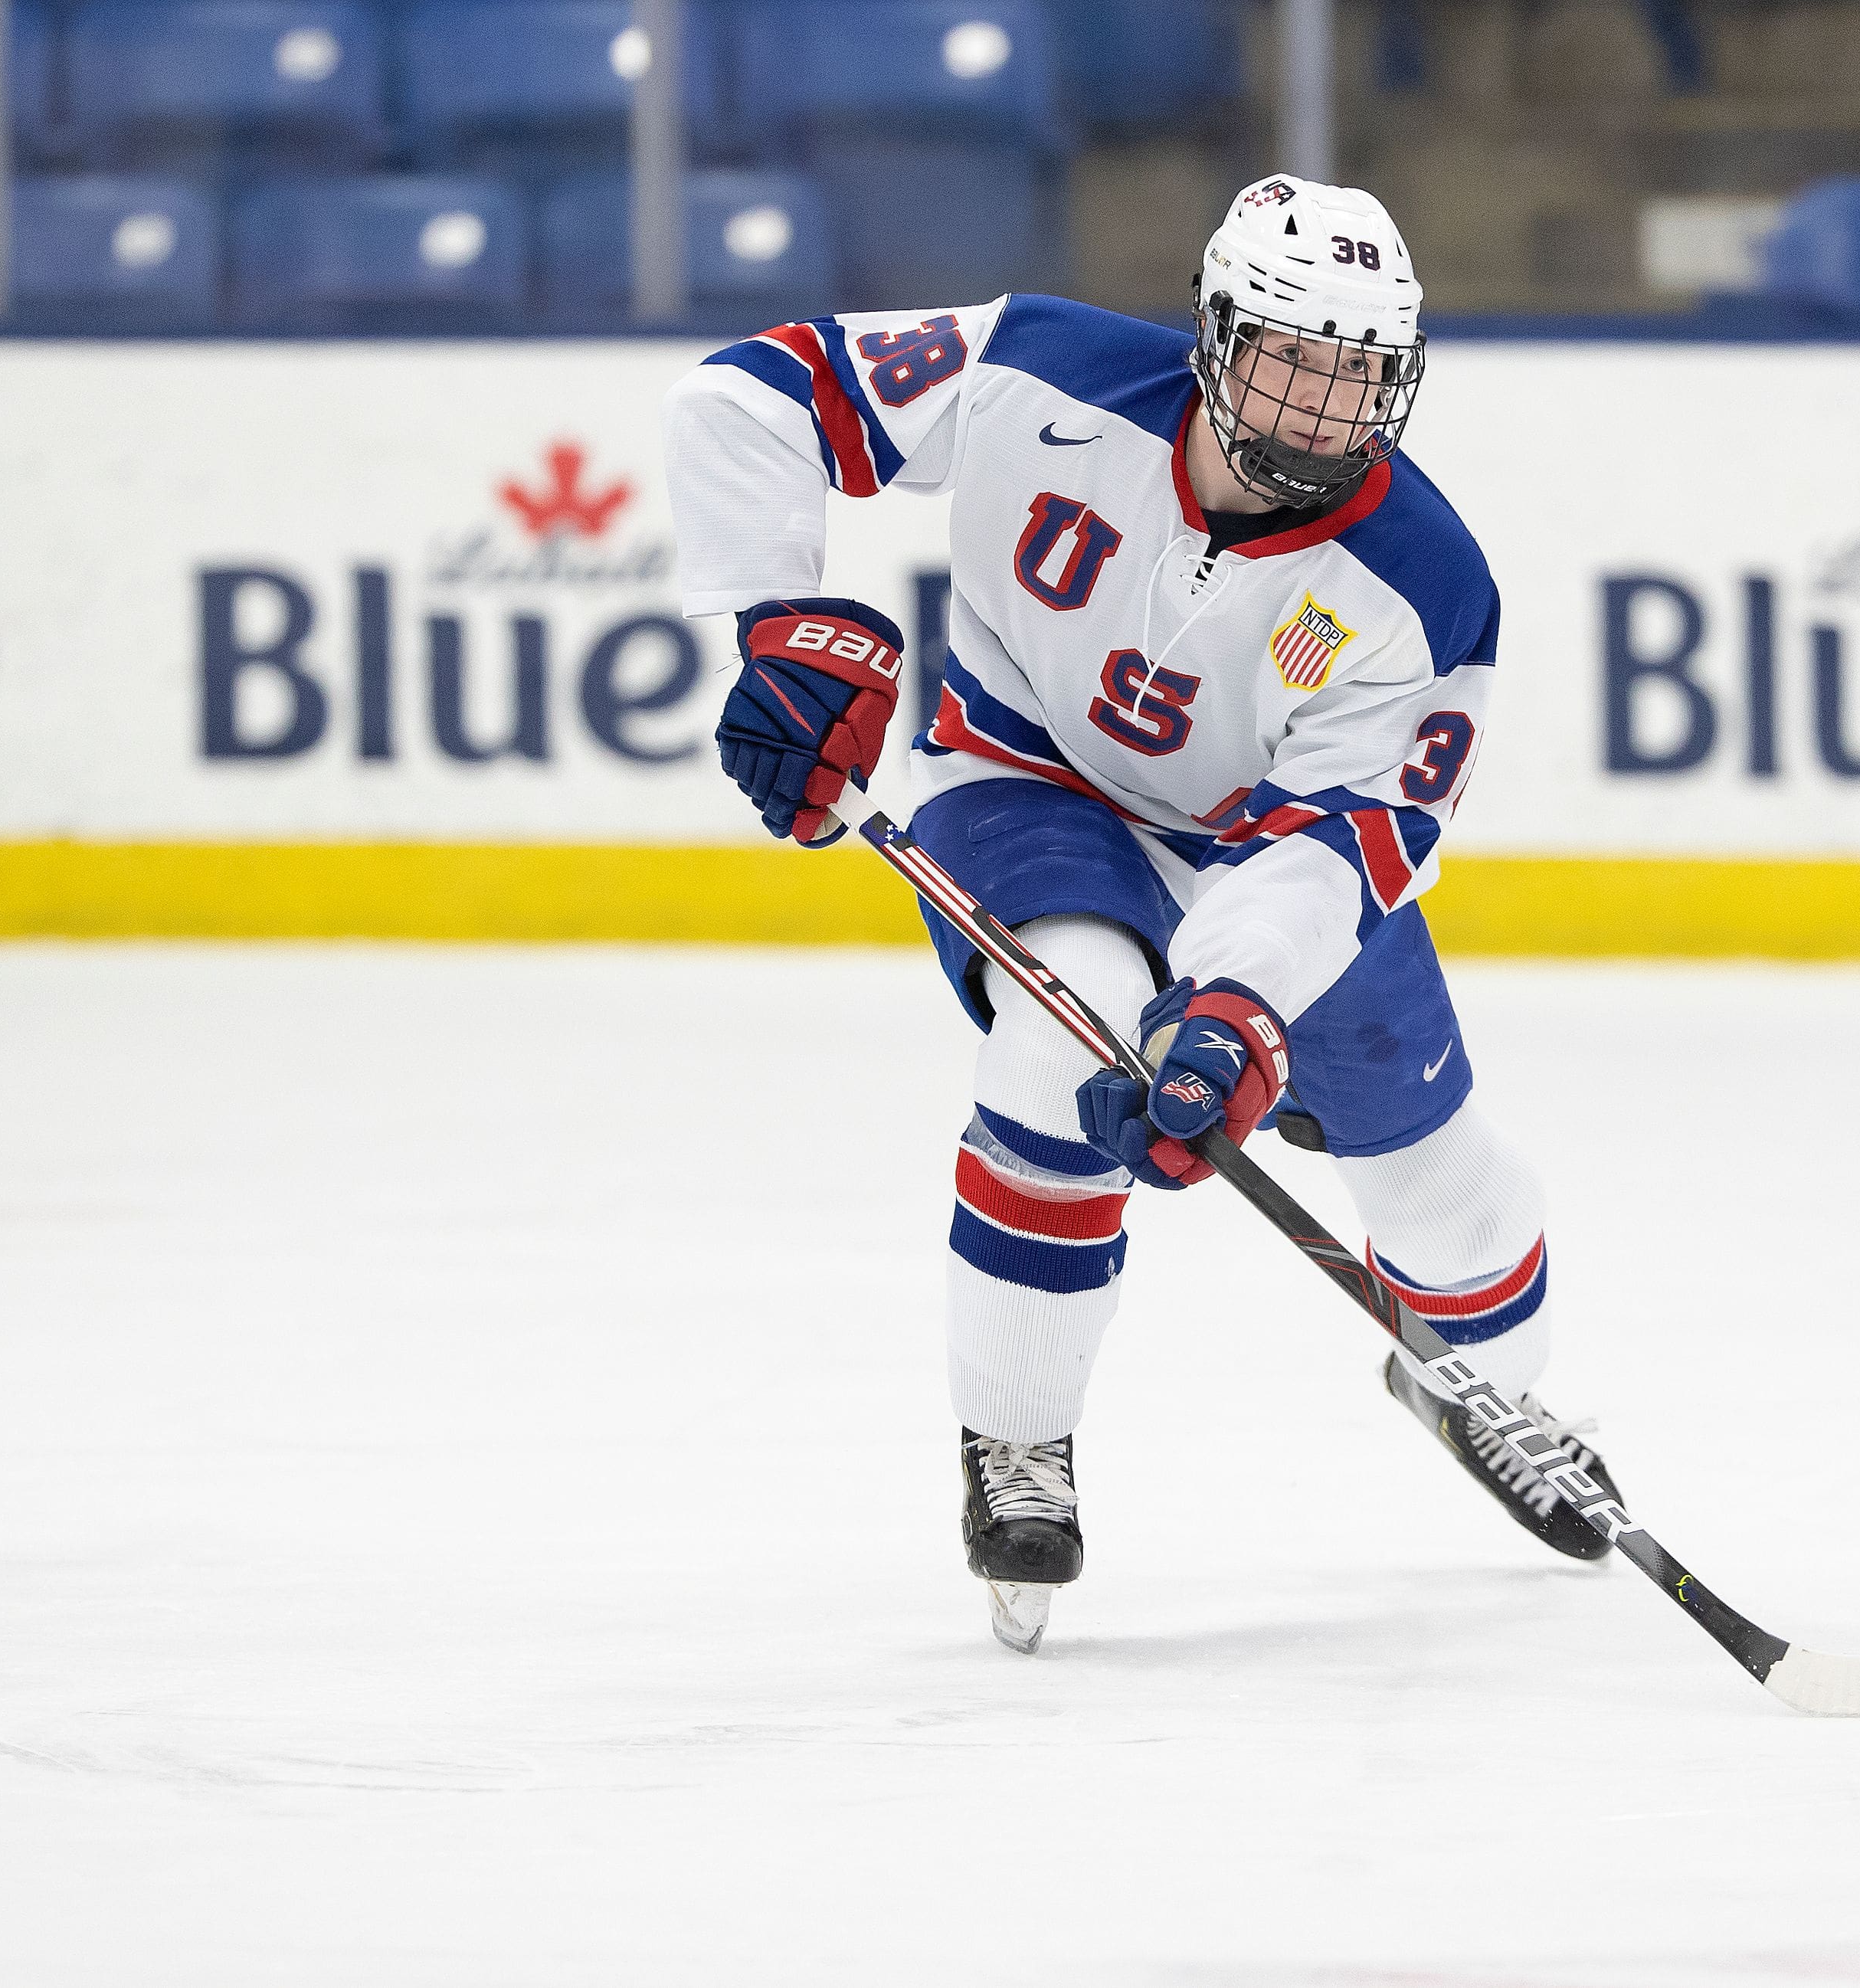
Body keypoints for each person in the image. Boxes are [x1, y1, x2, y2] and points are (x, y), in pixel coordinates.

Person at [663, 175, 1620, 1654]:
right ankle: (1017, 1437)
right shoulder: (1038, 370)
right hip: (1025, 781)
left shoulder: (1426, 588)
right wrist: (772, 616)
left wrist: (1236, 1007)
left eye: (1358, 374)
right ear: (1215, 334)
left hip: (1265, 860)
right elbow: (749, 393)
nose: (1322, 409)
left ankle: (1484, 1388)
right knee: (1066, 1038)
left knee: (1448, 1194)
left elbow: (1338, 846)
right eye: (1291, 361)